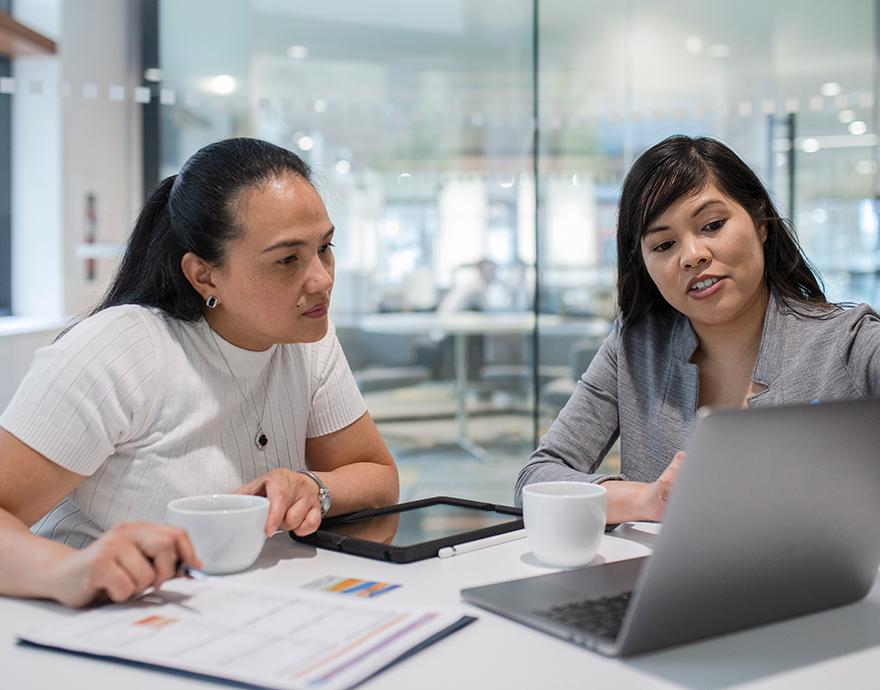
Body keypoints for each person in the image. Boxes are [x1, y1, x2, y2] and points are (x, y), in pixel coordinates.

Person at [0, 138, 399, 607]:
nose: (322, 279)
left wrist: (314, 487)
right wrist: (67, 570)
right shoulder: (121, 349)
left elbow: (378, 477)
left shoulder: (307, 339)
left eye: (325, 248)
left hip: (243, 613)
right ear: (204, 275)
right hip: (101, 622)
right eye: (287, 259)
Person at [515, 135, 880, 524]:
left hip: (823, 583)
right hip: (663, 581)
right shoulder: (636, 347)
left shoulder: (850, 342)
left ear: (760, 223)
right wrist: (648, 500)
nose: (693, 256)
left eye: (712, 225)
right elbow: (536, 481)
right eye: (664, 245)